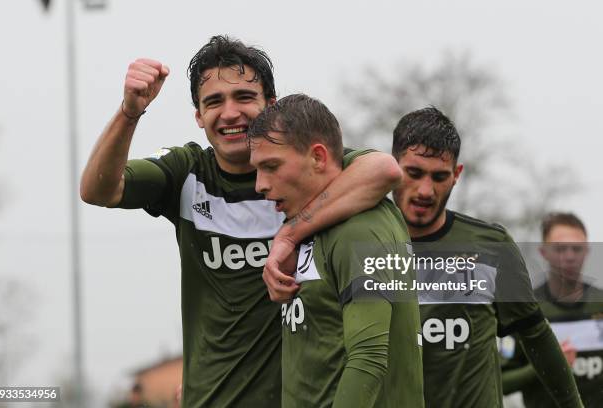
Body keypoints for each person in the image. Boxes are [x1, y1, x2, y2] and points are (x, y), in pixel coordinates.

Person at [79, 36, 402, 407]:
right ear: (199, 116)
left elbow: (384, 169)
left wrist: (290, 233)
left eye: (244, 98)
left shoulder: (306, 175)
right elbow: (97, 190)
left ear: (271, 106)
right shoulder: (187, 172)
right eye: (213, 102)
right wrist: (129, 111)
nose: (230, 113)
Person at [389, 107, 583, 407]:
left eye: (439, 176)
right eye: (414, 173)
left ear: (456, 175)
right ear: (391, 167)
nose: (425, 190)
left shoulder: (491, 246)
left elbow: (536, 335)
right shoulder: (359, 241)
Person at [248, 93, 424, 408]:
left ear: (317, 157)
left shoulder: (361, 231)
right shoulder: (309, 224)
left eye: (271, 166)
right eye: (257, 170)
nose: (259, 184)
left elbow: (368, 359)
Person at [502, 212, 603, 407]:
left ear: (587, 251)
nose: (569, 256)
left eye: (577, 248)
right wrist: (550, 364)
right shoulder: (524, 309)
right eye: (560, 249)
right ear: (543, 252)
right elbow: (501, 381)